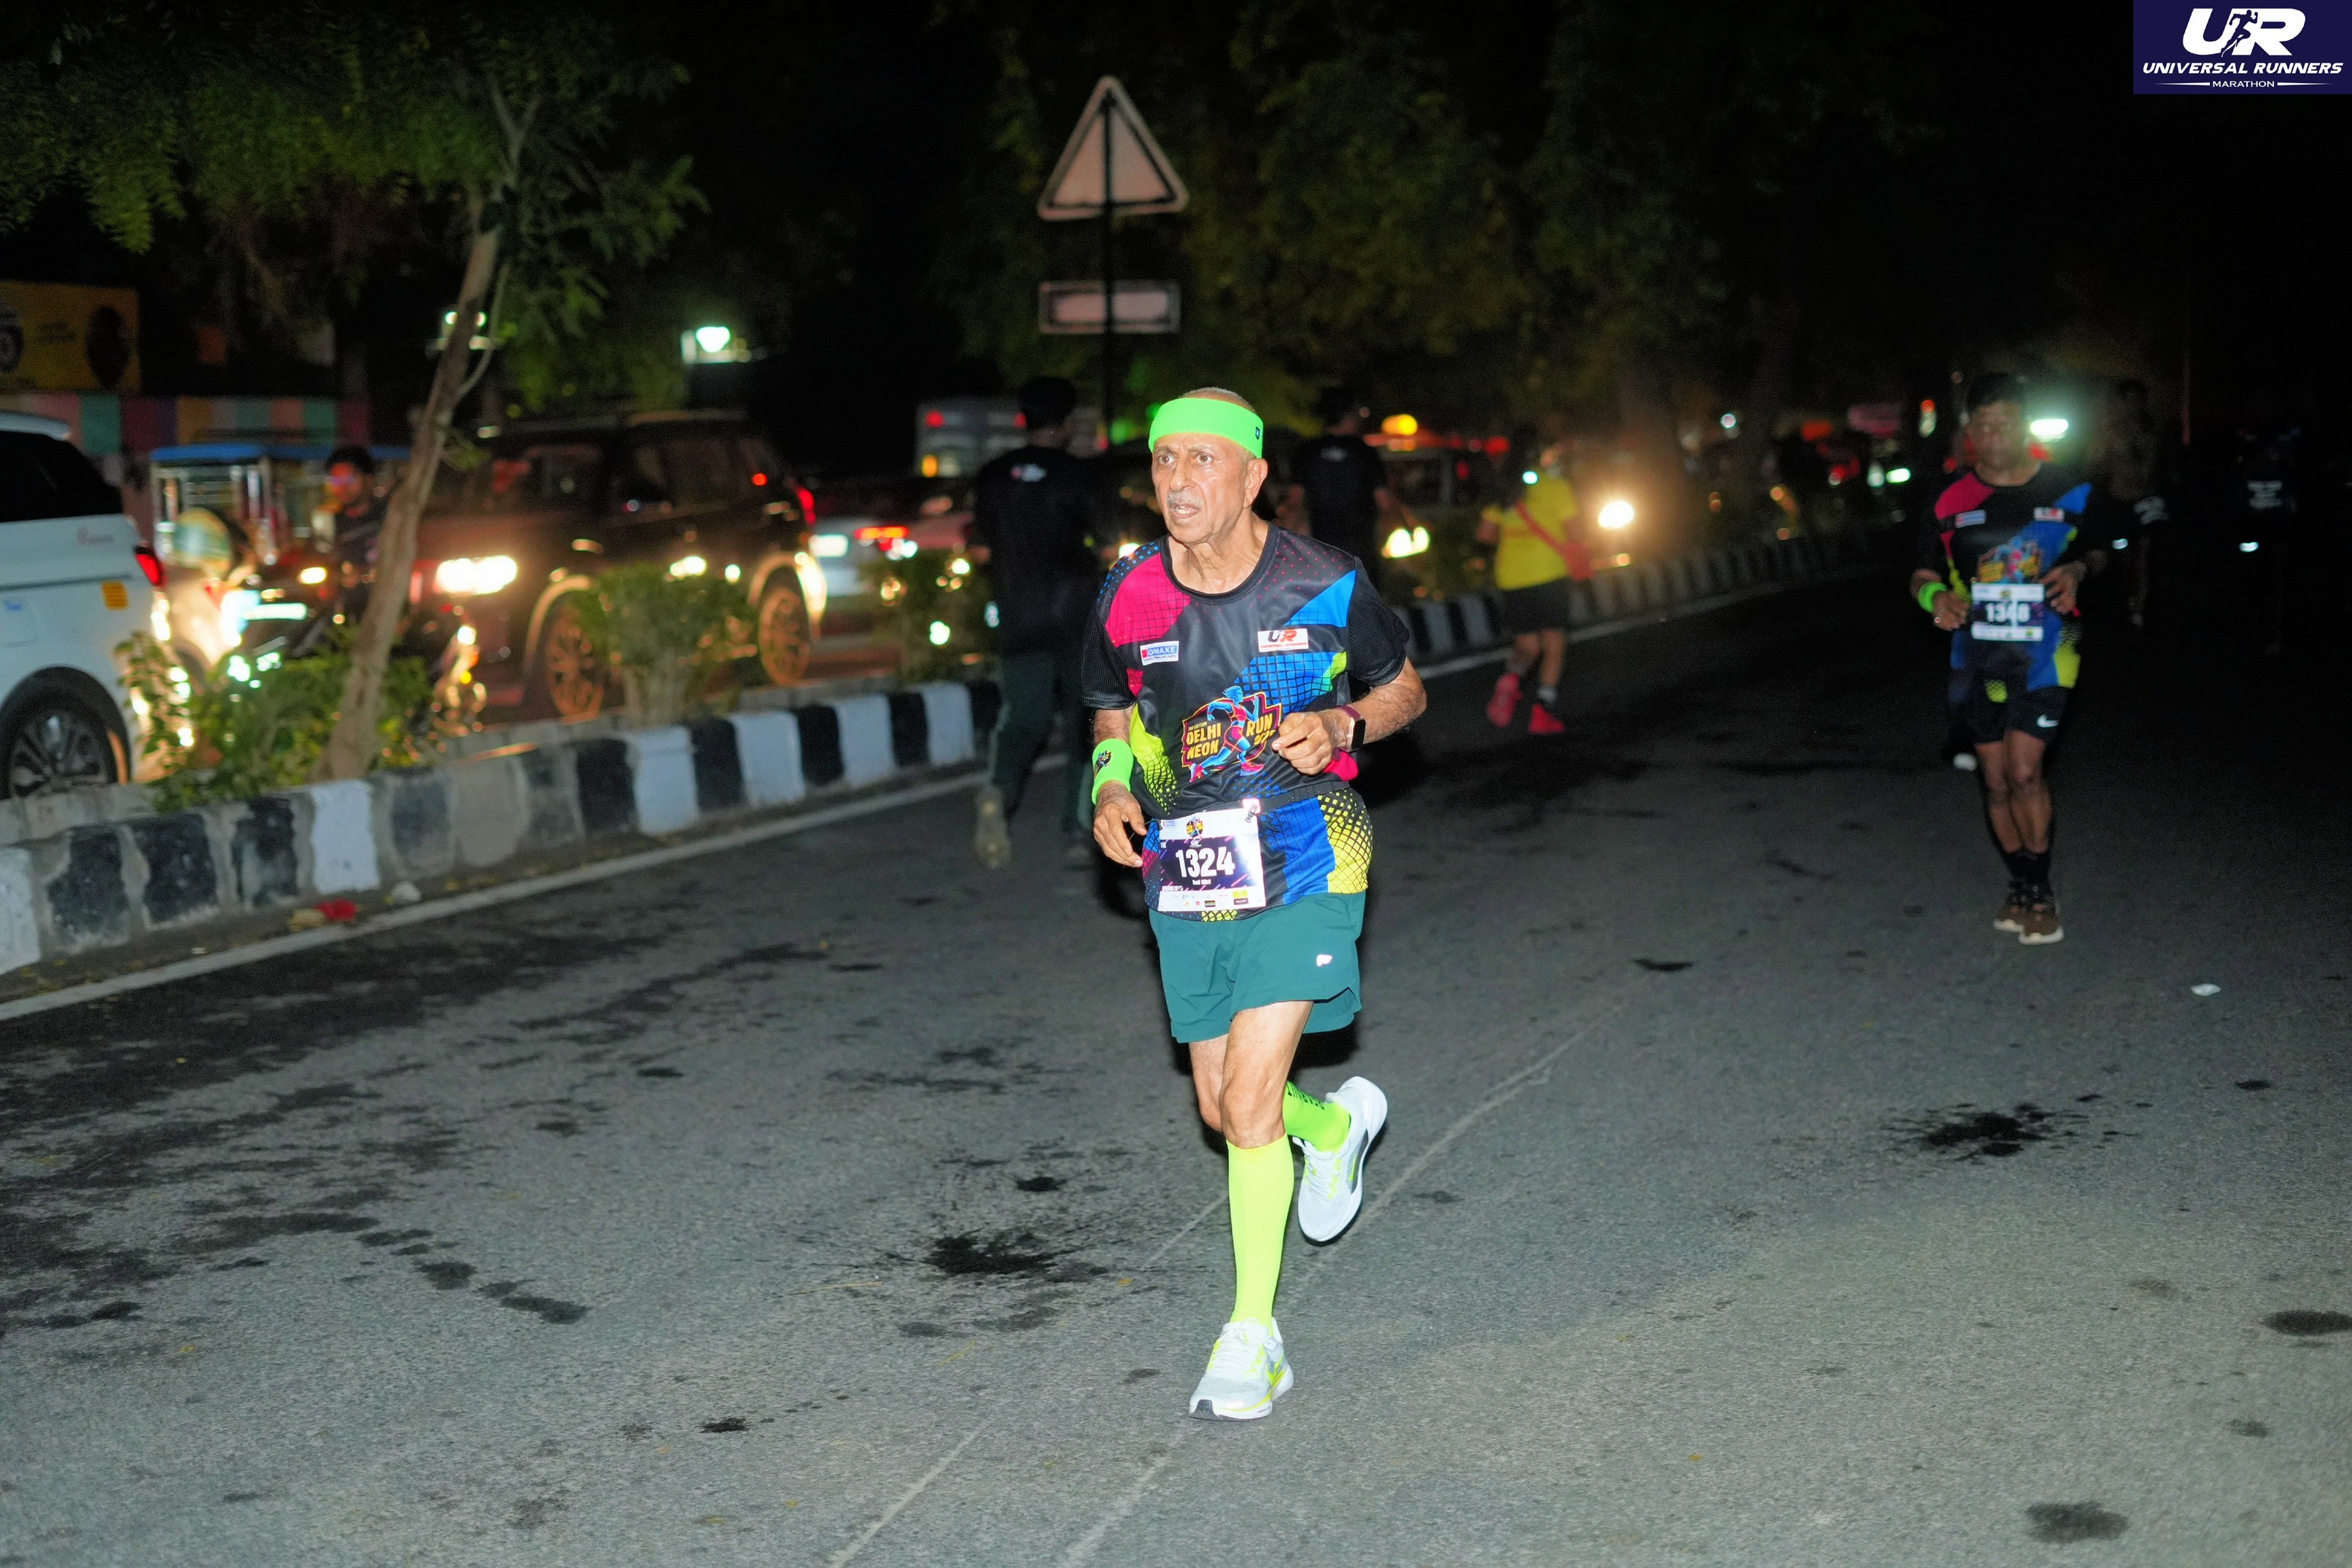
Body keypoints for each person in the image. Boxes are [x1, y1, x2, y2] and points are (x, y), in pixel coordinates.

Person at [1084, 389, 1427, 1421]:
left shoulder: (1323, 579)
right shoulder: (1127, 592)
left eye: (1203, 459)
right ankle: (1331, 1126)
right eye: (1164, 460)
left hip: (1313, 850)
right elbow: (1111, 707)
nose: (1178, 478)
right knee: (1226, 1106)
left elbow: (1405, 689)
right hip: (1188, 867)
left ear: (1252, 476)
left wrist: (1346, 724)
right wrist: (1109, 784)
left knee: (1244, 1104)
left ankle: (1252, 1335)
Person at [1911, 373, 2105, 946]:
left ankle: (2040, 892)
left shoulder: (2070, 489)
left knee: (2024, 771)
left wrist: (2078, 569)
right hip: (1976, 656)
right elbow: (1920, 573)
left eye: (2005, 422)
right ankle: (2018, 883)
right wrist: (1934, 598)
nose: (1994, 434)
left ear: (2024, 426)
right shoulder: (1946, 499)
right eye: (1983, 424)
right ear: (1969, 431)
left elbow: (2102, 549)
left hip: (2050, 651)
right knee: (1995, 782)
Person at [968, 377, 1108, 869]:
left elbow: (979, 551)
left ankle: (998, 790)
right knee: (1084, 725)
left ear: (1023, 421)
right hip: (1076, 618)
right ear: (1066, 424)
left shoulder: (991, 476)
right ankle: (1076, 828)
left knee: (1024, 717)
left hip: (1018, 616)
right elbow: (1109, 547)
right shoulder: (1080, 476)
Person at [1475, 460, 1589, 734]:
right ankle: (1543, 712)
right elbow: (1576, 532)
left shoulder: (1504, 491)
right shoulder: (1556, 486)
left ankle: (1511, 677)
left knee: (1527, 645)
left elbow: (1485, 534)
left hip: (1512, 578)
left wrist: (1514, 535)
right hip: (1550, 574)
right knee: (1553, 643)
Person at [2089, 381, 2172, 629]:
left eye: (2138, 400)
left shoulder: (2153, 432)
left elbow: (2162, 468)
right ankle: (2126, 601)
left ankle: (2140, 608)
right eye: (2128, 400)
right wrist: (2108, 455)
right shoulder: (2110, 434)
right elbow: (2093, 468)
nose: (2133, 406)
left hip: (2147, 502)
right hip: (2119, 502)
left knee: (2144, 552)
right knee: (2124, 555)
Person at [1286, 389, 1394, 571]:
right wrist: (1404, 525)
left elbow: (1295, 503)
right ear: (1347, 415)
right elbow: (1384, 501)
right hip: (1361, 549)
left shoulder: (1307, 451)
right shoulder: (1365, 452)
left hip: (1322, 550)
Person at [320, 445, 387, 577]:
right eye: (336, 481)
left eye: (350, 479)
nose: (343, 487)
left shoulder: (389, 518)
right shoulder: (329, 525)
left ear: (369, 479)